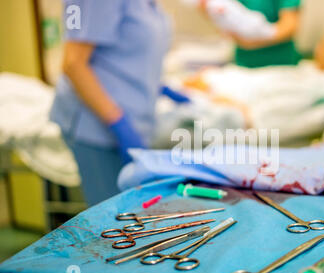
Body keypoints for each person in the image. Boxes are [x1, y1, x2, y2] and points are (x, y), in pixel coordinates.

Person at [50, 0, 172, 206]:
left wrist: (161, 87)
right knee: (114, 221)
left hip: (133, 118)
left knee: (134, 218)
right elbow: (73, 63)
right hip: (96, 125)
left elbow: (126, 52)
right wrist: (119, 123)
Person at [200, 0, 303, 68]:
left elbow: (289, 27)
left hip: (281, 66)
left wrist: (251, 42)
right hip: (244, 65)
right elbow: (225, 18)